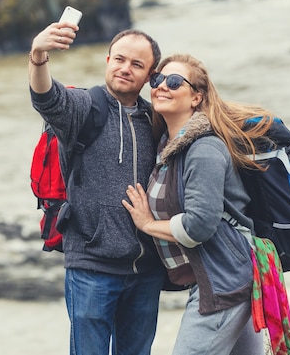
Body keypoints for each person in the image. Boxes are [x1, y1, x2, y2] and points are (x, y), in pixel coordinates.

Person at [28, 19, 167, 355]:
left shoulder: (157, 121)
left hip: (146, 269)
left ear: (150, 76)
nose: (125, 68)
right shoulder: (84, 107)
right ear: (108, 61)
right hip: (92, 265)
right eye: (119, 59)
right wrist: (38, 55)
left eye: (137, 64)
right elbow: (47, 98)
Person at [121, 53, 274, 355]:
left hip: (224, 278)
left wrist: (148, 224)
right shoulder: (169, 145)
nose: (162, 86)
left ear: (196, 97)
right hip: (224, 275)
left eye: (174, 81)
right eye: (157, 79)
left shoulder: (204, 149)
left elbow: (200, 226)